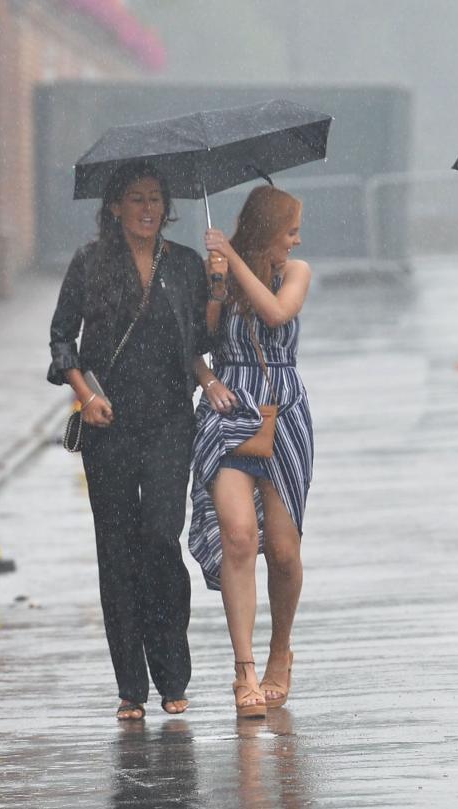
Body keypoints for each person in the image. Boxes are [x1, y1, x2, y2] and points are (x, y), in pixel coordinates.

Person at [47, 161, 210, 721]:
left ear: (168, 207)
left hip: (169, 422)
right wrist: (85, 395)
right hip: (107, 423)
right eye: (136, 198)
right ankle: (131, 688)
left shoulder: (186, 265)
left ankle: (172, 672)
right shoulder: (90, 263)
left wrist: (217, 286)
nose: (147, 208)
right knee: (116, 551)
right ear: (114, 207)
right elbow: (61, 338)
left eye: (156, 199)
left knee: (161, 539)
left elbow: (202, 342)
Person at [189, 185, 314, 718]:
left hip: (283, 409)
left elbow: (276, 314)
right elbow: (195, 340)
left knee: (283, 551)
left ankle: (278, 651)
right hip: (230, 408)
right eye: (290, 231)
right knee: (240, 535)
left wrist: (235, 259)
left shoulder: (296, 272)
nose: (297, 239)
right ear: (269, 229)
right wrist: (207, 376)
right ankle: (242, 671)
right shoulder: (218, 273)